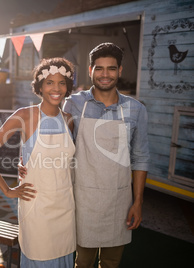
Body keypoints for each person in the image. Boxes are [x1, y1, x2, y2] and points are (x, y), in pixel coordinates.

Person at [19, 43, 150, 268]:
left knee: (111, 262)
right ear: (90, 71)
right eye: (99, 68)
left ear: (120, 71)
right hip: (81, 199)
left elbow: (140, 157)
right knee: (82, 263)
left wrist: (137, 202)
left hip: (118, 200)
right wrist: (26, 161)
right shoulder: (74, 103)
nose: (105, 74)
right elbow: (49, 137)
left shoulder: (136, 109)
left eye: (111, 68)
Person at [0, 57, 76, 267]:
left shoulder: (68, 119)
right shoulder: (24, 115)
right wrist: (7, 190)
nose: (56, 88)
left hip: (65, 208)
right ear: (40, 86)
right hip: (37, 207)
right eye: (49, 82)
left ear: (68, 86)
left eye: (62, 82)